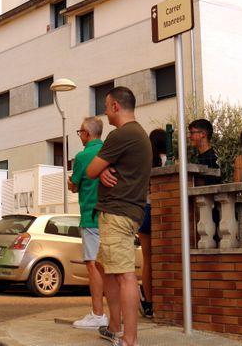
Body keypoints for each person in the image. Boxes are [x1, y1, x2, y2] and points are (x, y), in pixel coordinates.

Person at [85, 87, 151, 346]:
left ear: (115, 106)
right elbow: (106, 169)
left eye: (106, 105)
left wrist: (100, 170)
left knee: (124, 275)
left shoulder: (121, 134)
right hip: (126, 212)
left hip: (117, 213)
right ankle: (114, 326)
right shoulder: (138, 135)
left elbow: (91, 169)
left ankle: (129, 339)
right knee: (105, 267)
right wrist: (105, 170)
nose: (104, 110)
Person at [69, 117, 107, 329]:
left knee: (93, 266)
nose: (80, 136)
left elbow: (74, 185)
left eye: (80, 132)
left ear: (86, 133)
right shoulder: (110, 151)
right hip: (111, 217)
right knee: (111, 267)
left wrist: (72, 183)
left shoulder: (83, 156)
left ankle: (98, 314)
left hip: (91, 217)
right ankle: (114, 312)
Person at [138, 128, 168, 319]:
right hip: (164, 211)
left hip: (146, 211)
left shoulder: (146, 162)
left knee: (147, 261)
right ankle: (164, 300)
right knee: (164, 258)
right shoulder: (171, 161)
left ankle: (149, 303)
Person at [188, 119, 221, 185]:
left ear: (203, 134)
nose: (189, 136)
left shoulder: (214, 158)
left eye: (192, 133)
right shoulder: (196, 157)